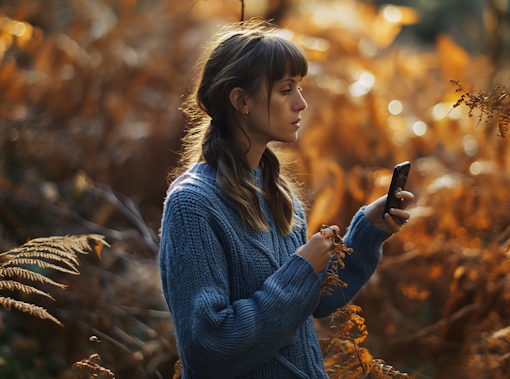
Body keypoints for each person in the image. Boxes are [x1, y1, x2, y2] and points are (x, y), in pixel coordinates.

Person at [159, 20, 414, 379]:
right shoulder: (193, 205)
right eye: (285, 90)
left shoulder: (278, 193)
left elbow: (314, 301)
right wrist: (302, 268)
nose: (301, 102)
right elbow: (208, 348)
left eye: (300, 87)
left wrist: (365, 233)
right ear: (241, 101)